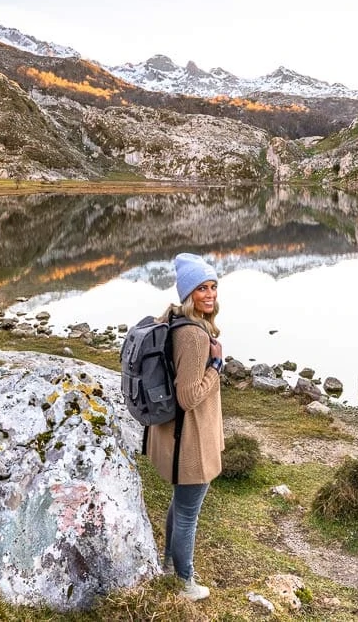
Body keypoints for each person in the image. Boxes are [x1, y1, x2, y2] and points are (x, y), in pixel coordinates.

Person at [146, 252, 224, 601]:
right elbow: (189, 396)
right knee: (188, 513)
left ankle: (167, 564)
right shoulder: (194, 336)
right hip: (190, 441)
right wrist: (216, 369)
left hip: (177, 437)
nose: (209, 295)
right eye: (201, 288)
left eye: (213, 287)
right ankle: (184, 582)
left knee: (180, 505)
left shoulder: (174, 320)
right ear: (188, 293)